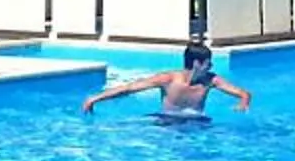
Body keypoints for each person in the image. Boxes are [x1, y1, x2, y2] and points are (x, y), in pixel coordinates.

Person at [84, 37, 249, 120]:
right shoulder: (168, 79)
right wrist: (95, 98)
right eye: (208, 63)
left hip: (198, 123)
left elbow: (243, 93)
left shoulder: (210, 80)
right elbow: (129, 88)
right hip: (167, 122)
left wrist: (243, 103)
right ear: (197, 63)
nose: (211, 66)